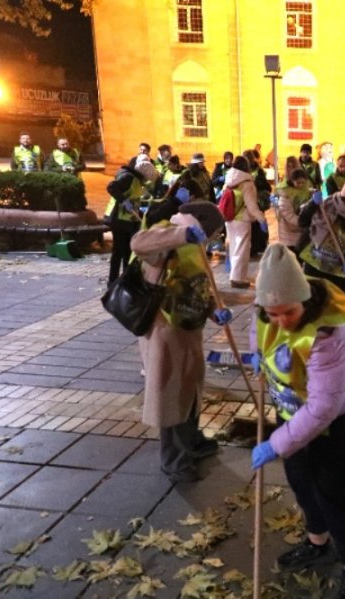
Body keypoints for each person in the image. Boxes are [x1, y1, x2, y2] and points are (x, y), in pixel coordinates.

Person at [249, 244, 345, 599]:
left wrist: (276, 444)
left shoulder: (331, 338)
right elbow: (260, 330)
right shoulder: (264, 313)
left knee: (330, 491)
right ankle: (318, 541)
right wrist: (257, 354)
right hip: (291, 413)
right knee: (300, 481)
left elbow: (321, 410)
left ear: (305, 301)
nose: (281, 321)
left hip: (335, 420)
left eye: (288, 312)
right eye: (273, 313)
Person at [130, 197, 231, 483]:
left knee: (191, 391)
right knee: (170, 395)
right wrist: (180, 235)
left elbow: (198, 286)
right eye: (213, 233)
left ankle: (192, 442)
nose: (214, 240)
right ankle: (174, 460)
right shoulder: (168, 237)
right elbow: (138, 242)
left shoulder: (195, 248)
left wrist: (215, 311)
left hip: (188, 330)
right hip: (165, 331)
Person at [298, 175, 345, 290]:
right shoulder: (327, 206)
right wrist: (312, 204)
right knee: (312, 299)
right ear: (344, 197)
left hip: (337, 269)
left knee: (337, 302)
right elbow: (302, 222)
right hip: (314, 263)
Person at [104, 156, 159, 286]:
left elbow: (135, 197)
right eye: (146, 178)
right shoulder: (128, 178)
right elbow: (111, 187)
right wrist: (123, 200)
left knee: (125, 252)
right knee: (120, 251)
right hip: (118, 219)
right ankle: (115, 282)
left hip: (128, 219)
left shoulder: (136, 180)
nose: (146, 182)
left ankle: (121, 280)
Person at [223, 156, 268, 288]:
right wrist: (262, 220)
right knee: (242, 249)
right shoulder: (247, 183)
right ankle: (237, 279)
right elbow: (252, 206)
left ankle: (235, 274)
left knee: (233, 247)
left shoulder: (229, 179)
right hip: (242, 220)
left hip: (229, 218)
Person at [276, 168, 313, 250]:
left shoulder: (307, 191)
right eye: (298, 182)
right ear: (292, 181)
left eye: (303, 182)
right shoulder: (286, 194)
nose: (301, 185)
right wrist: (302, 222)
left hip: (301, 229)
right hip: (288, 230)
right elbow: (288, 214)